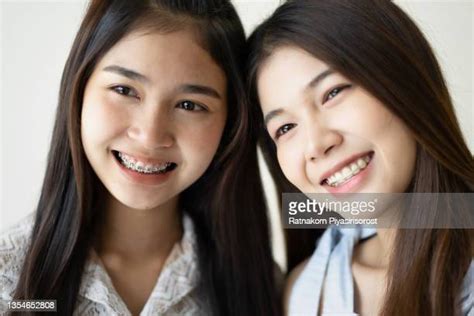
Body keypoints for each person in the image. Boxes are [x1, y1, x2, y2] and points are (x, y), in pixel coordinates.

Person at [0, 0, 280, 315]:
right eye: (124, 89)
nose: (150, 135)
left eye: (189, 105)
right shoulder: (7, 283)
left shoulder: (266, 288)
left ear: (230, 123)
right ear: (79, 90)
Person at [246, 0, 473, 315]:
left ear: (405, 81)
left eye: (333, 93)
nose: (315, 144)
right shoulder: (308, 293)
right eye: (285, 127)